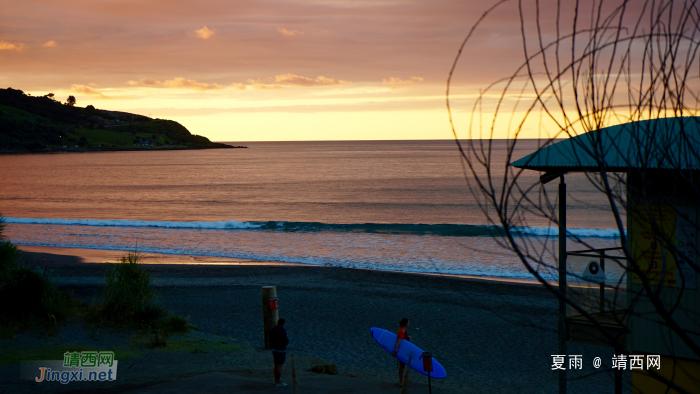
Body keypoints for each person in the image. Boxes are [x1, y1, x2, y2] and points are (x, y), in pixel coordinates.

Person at [269, 318, 289, 387]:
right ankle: (278, 381)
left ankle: (276, 380)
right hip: (281, 350)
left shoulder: (272, 330)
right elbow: (286, 342)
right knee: (279, 365)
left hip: (275, 349)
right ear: (283, 324)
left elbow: (270, 339)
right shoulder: (283, 332)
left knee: (276, 365)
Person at [392, 318, 412, 387]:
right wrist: (395, 351)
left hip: (402, 350)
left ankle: (401, 381)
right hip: (401, 351)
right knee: (401, 366)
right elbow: (399, 341)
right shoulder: (402, 331)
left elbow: (402, 339)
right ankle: (401, 382)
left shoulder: (401, 329)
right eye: (408, 323)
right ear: (406, 324)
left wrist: (407, 338)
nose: (409, 324)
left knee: (402, 366)